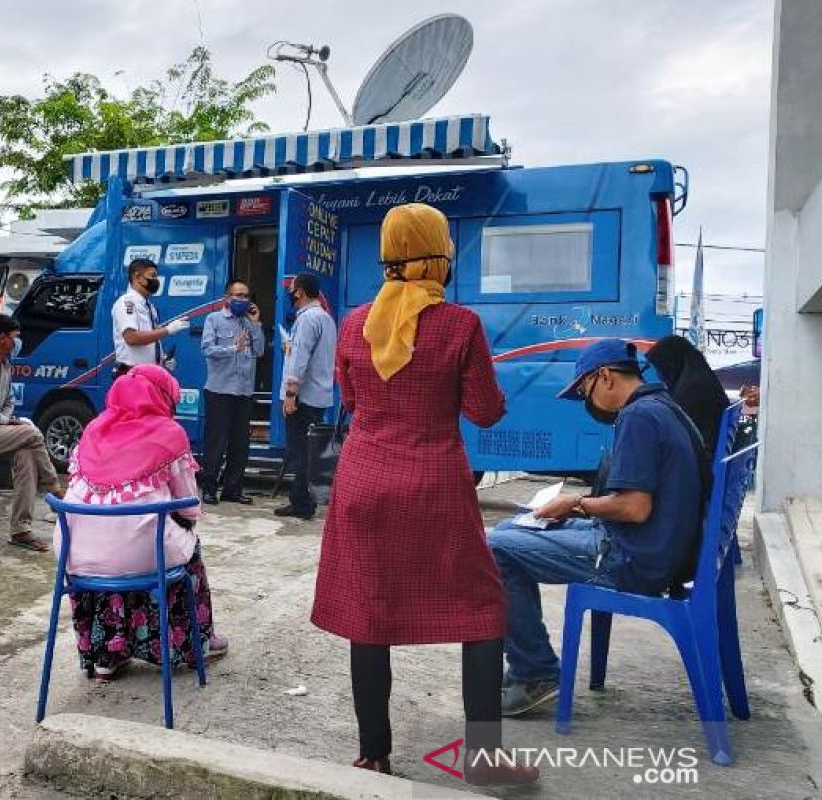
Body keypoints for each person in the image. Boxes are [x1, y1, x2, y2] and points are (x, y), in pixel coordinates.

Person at [311, 204, 537, 786]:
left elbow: (356, 404)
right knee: (483, 611)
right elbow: (484, 412)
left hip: (363, 482)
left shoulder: (356, 323)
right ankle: (484, 761)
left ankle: (374, 754)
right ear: (437, 255)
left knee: (370, 612)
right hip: (433, 483)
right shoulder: (460, 325)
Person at [488, 338, 705, 717]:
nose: (587, 403)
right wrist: (574, 510)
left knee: (495, 550)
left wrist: (574, 503)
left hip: (631, 558)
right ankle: (527, 664)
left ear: (604, 376)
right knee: (507, 530)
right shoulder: (664, 406)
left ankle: (535, 672)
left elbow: (635, 507)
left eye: (584, 390)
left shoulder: (639, 417)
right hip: (645, 547)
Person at [56, 364, 228, 680]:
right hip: (143, 552)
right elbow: (189, 506)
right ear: (163, 398)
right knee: (183, 549)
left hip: (74, 553)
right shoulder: (169, 434)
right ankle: (195, 643)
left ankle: (107, 655)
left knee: (121, 552)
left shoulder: (94, 429)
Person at [0, 314, 64, 552]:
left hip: (0, 431)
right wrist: (2, 420)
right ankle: (55, 490)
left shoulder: (5, 365)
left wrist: (4, 419)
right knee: (33, 433)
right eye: (14, 338)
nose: (17, 343)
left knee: (26, 455)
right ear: (2, 338)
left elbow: (8, 402)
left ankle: (20, 530)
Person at [274, 273, 337, 520]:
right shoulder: (325, 318)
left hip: (303, 396)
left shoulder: (307, 320)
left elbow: (300, 360)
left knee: (300, 450)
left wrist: (291, 393)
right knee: (309, 452)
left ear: (299, 292)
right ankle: (304, 499)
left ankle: (301, 502)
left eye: (292, 290)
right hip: (319, 395)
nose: (290, 294)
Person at [199, 279, 265, 505]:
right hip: (220, 390)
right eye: (238, 296)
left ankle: (233, 489)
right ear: (227, 298)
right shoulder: (214, 319)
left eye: (246, 296)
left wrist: (256, 324)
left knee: (240, 444)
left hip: (244, 391)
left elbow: (260, 350)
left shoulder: (249, 323)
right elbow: (207, 350)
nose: (242, 300)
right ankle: (209, 488)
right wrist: (232, 348)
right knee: (216, 442)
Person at [645, 334, 730, 458]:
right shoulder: (703, 381)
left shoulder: (691, 391)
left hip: (695, 467)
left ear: (671, 363)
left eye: (661, 367)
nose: (660, 374)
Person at [110, 258, 189, 376]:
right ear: (137, 277)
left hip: (149, 372)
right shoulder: (127, 303)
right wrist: (168, 330)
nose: (156, 280)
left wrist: (162, 359)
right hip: (132, 374)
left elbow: (150, 337)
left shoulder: (149, 306)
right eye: (152, 276)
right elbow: (131, 337)